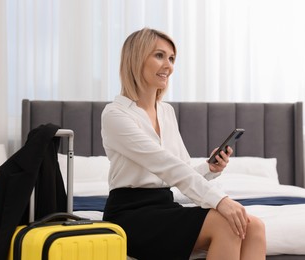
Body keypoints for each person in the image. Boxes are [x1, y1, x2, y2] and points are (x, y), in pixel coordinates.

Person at [101, 27, 266, 260]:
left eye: (171, 58)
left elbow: (182, 170)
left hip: (164, 206)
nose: (168, 65)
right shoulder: (115, 115)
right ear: (136, 59)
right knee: (227, 224)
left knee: (254, 227)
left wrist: (209, 168)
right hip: (131, 214)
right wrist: (220, 200)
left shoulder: (166, 112)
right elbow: (167, 166)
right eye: (159, 56)